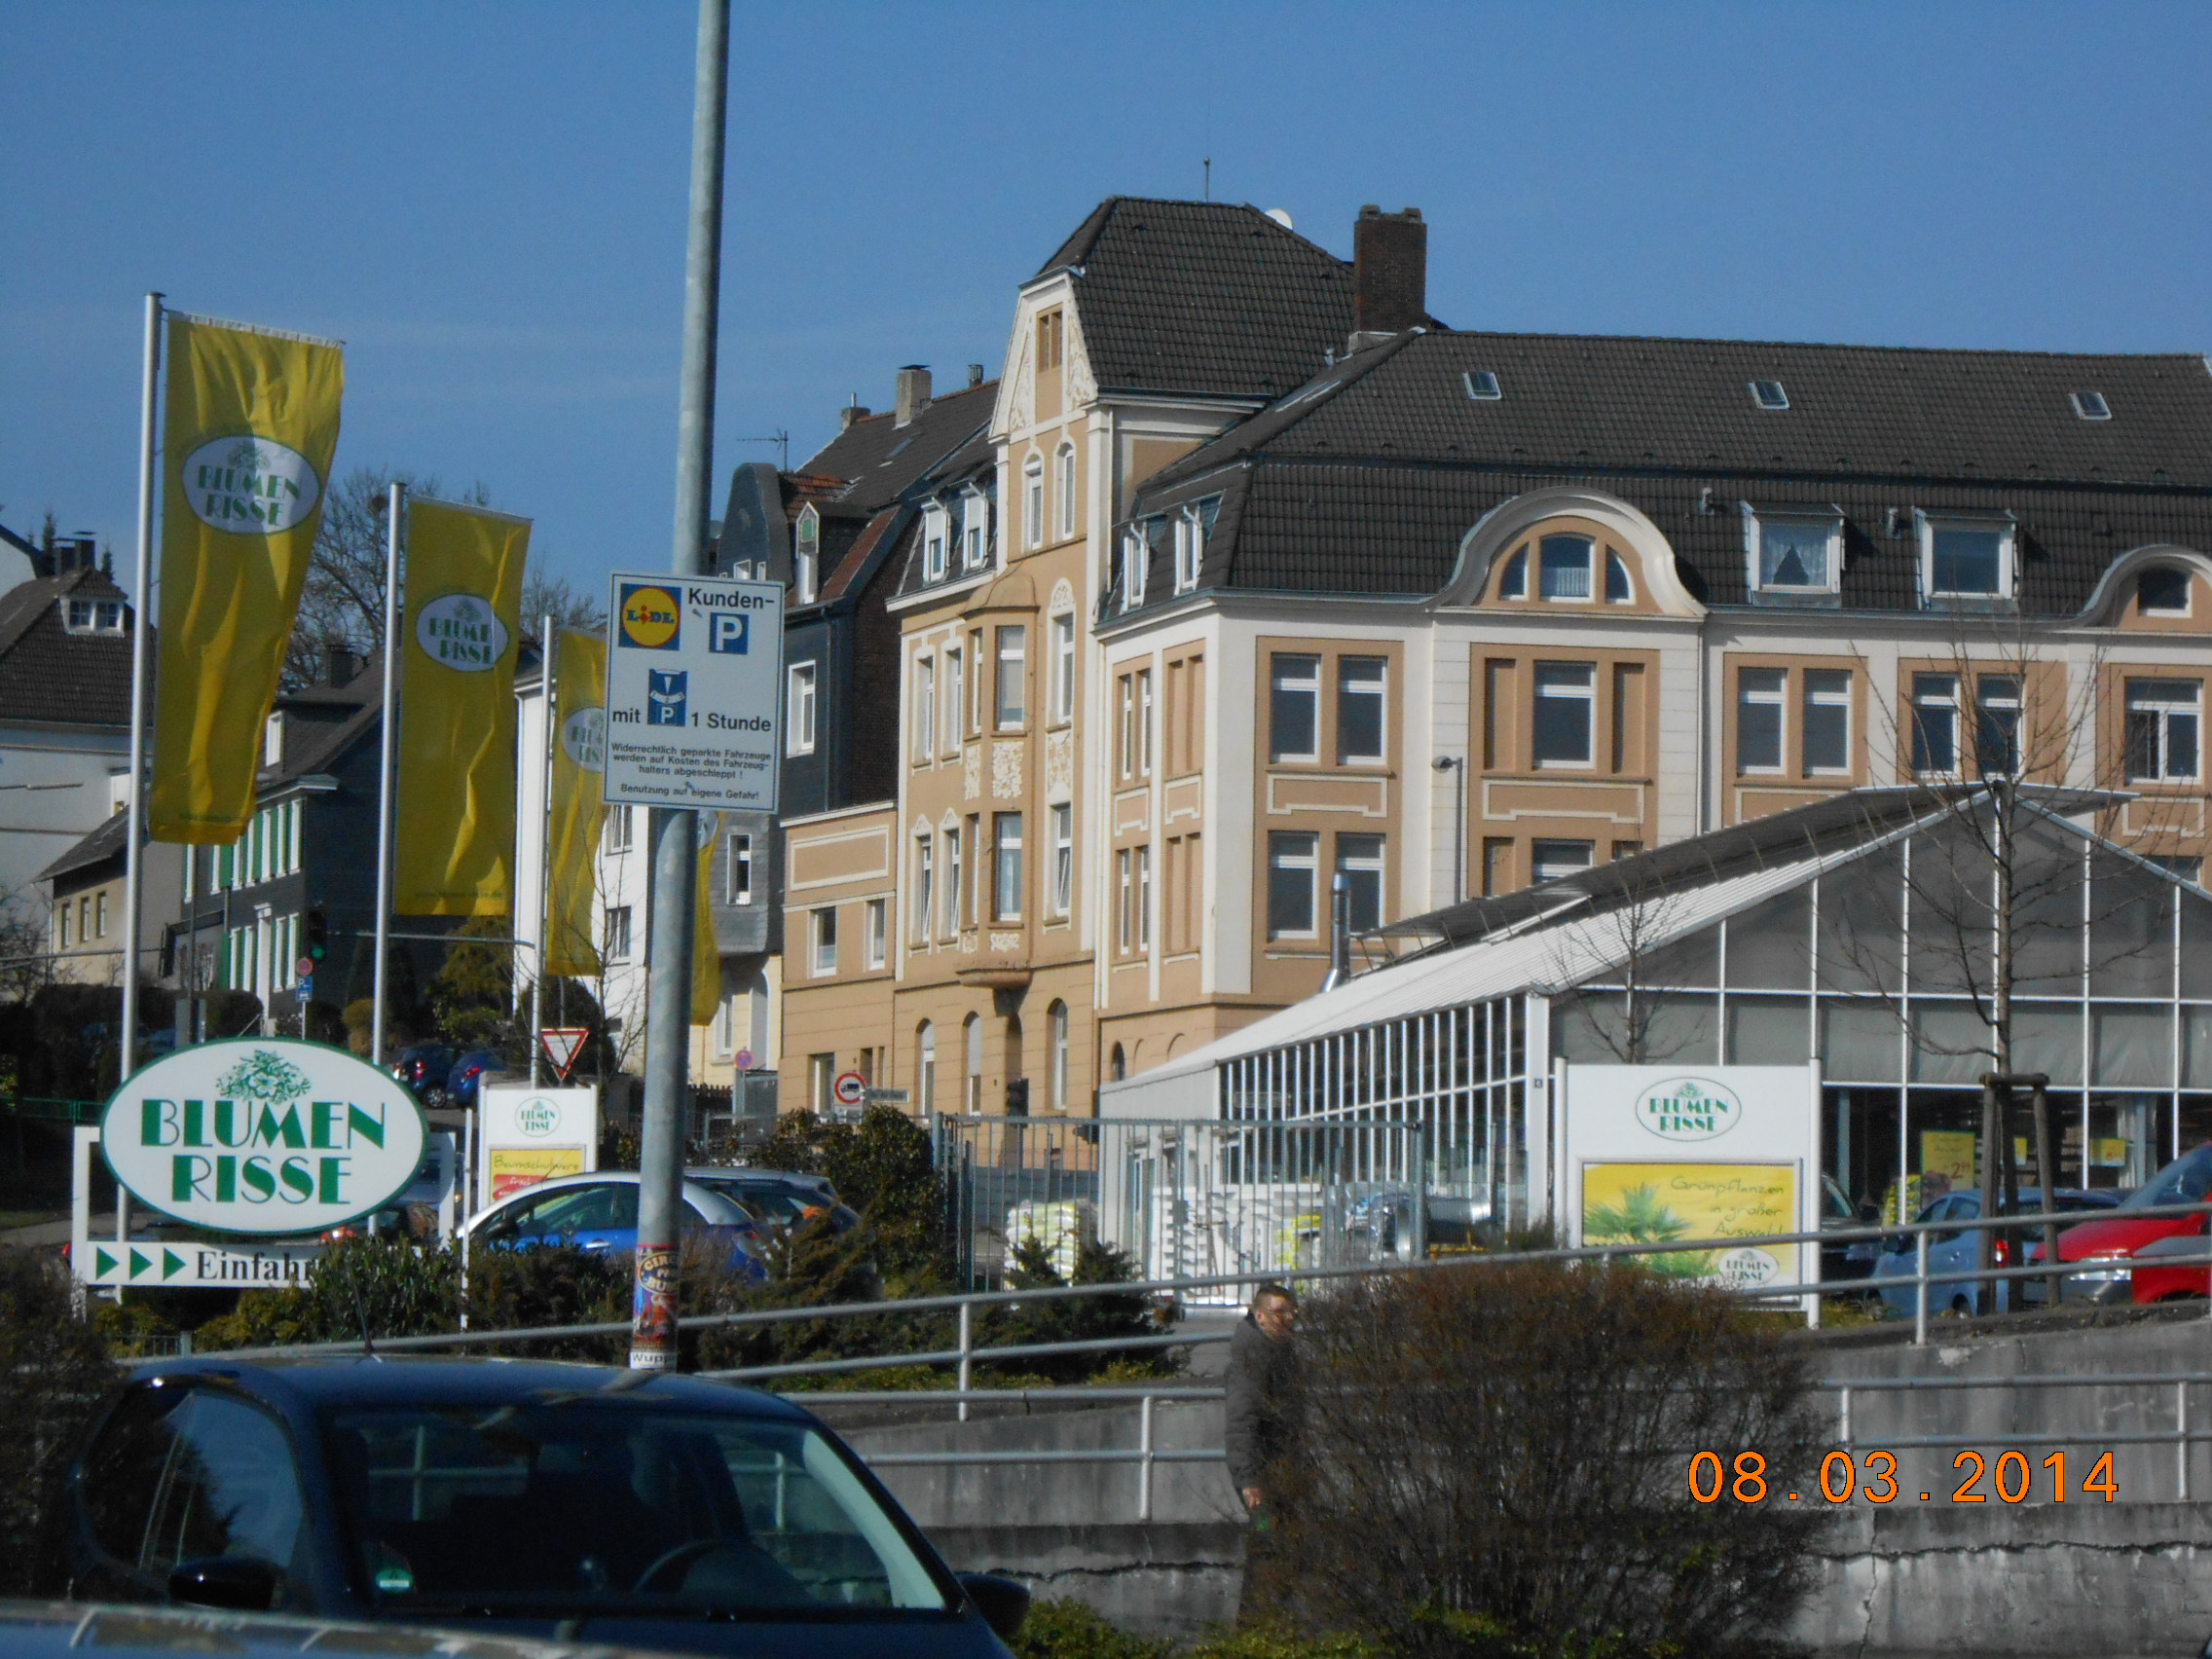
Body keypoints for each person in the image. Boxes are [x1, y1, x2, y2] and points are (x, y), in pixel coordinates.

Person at [1224, 1281, 1298, 1517]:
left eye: (1292, 1312)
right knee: (1267, 1533)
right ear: (1260, 1316)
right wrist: (1249, 1479)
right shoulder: (1252, 1358)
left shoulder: (1280, 1351)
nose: (1288, 1318)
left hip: (1280, 1462)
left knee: (1284, 1536)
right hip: (1262, 1469)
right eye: (1279, 1312)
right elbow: (1241, 1420)